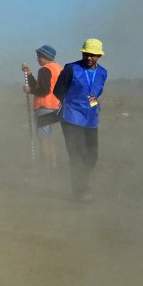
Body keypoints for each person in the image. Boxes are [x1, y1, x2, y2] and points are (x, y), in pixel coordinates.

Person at [53, 38, 108, 201]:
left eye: (93, 55)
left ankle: (83, 183)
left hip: (91, 118)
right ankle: (80, 191)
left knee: (92, 156)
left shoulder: (103, 72)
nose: (89, 57)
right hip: (71, 117)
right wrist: (69, 104)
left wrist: (92, 102)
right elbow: (58, 90)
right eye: (86, 54)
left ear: (99, 56)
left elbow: (95, 92)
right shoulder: (71, 69)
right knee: (77, 155)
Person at [21, 44, 61, 169]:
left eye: (39, 57)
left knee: (43, 140)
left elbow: (43, 90)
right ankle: (53, 167)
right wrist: (29, 73)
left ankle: (45, 169)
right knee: (50, 139)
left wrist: (30, 90)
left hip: (44, 107)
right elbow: (40, 85)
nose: (37, 59)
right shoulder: (58, 69)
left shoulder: (44, 70)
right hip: (56, 108)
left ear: (46, 56)